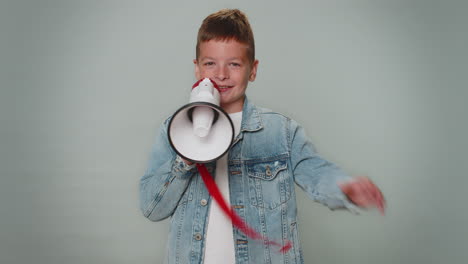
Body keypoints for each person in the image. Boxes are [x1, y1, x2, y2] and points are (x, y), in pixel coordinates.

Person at [140, 8, 385, 264]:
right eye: (210, 63)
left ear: (253, 70)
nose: (221, 74)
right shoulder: (174, 130)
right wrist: (184, 160)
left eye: (234, 64)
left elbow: (316, 172)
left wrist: (344, 188)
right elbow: (152, 208)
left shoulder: (282, 132)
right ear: (197, 69)